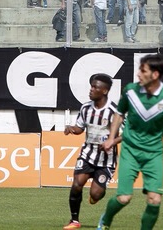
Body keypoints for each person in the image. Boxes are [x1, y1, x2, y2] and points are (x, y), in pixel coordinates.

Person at [97, 54, 163, 229]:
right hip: (130, 151)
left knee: (154, 199)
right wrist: (112, 138)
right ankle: (106, 220)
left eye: (143, 71)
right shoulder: (130, 91)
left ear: (155, 75)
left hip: (154, 153)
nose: (138, 74)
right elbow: (119, 114)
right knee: (124, 198)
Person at [62, 73, 121, 230]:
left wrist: (112, 141)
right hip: (88, 154)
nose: (91, 89)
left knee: (96, 194)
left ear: (105, 91)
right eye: (91, 86)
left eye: (95, 87)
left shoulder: (114, 111)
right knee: (76, 184)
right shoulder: (85, 108)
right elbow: (80, 128)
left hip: (106, 159)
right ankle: (74, 220)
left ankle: (96, 195)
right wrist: (71, 129)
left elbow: (128, 132)